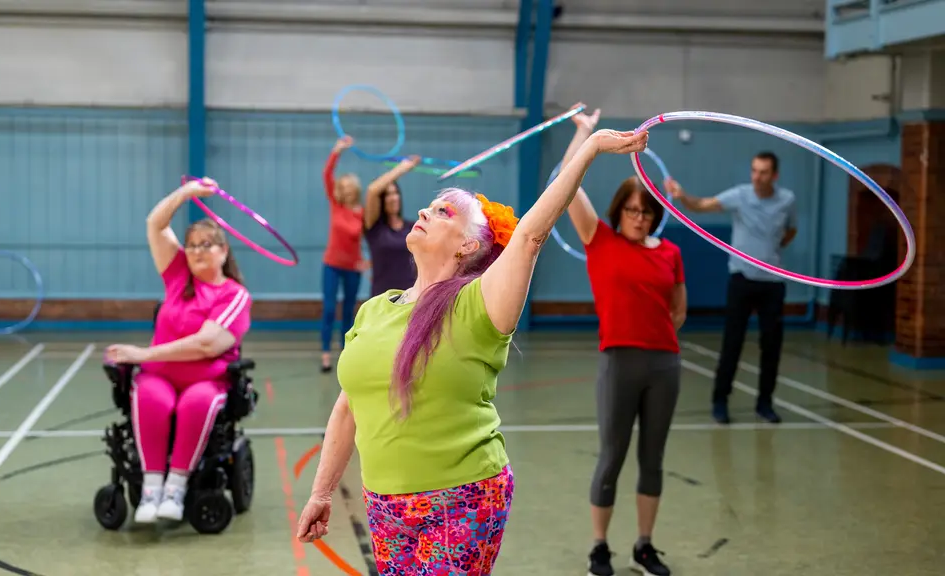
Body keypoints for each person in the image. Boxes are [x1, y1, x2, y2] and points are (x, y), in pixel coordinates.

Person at [294, 111, 649, 575]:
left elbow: (529, 237)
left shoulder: (477, 305)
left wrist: (589, 148)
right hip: (384, 504)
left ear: (466, 246)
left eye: (443, 212)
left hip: (462, 498)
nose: (423, 211)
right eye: (430, 206)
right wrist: (322, 493)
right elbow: (347, 407)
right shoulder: (374, 309)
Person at [558, 109, 685, 576]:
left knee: (653, 459)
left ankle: (645, 546)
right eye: (632, 209)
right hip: (619, 363)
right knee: (612, 456)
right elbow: (567, 183)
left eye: (646, 211)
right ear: (619, 211)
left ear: (655, 215)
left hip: (665, 366)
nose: (639, 217)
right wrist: (585, 135)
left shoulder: (671, 253)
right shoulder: (599, 239)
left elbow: (679, 309)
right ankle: (599, 548)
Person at [105, 177, 253, 524]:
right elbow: (155, 223)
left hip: (208, 382)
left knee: (195, 403)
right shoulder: (177, 276)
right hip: (160, 377)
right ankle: (151, 489)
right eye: (192, 245)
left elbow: (206, 344)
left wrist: (142, 355)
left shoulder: (234, 296)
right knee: (152, 397)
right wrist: (187, 193)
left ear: (224, 250)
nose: (198, 251)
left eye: (207, 244)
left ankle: (176, 487)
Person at [664, 151, 796, 425]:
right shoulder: (740, 195)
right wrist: (682, 195)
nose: (757, 177)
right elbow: (702, 205)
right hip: (741, 279)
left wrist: (775, 249)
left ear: (775, 175)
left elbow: (791, 230)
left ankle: (765, 404)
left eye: (763, 172)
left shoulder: (787, 200)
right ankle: (720, 401)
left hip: (773, 283)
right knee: (732, 344)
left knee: (771, 347)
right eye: (754, 171)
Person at [319, 135, 367, 372]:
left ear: (356, 189)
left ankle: (345, 353)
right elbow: (327, 174)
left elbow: (373, 239)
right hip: (331, 265)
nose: (346, 189)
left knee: (349, 311)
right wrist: (336, 150)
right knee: (329, 309)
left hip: (352, 269)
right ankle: (325, 354)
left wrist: (367, 262)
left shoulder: (362, 212)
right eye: (343, 185)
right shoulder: (335, 205)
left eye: (350, 185)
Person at [363, 156, 420, 297]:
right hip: (382, 299)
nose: (394, 198)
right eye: (388, 194)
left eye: (396, 193)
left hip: (410, 297)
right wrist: (403, 167)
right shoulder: (374, 228)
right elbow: (372, 190)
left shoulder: (412, 227)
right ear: (381, 200)